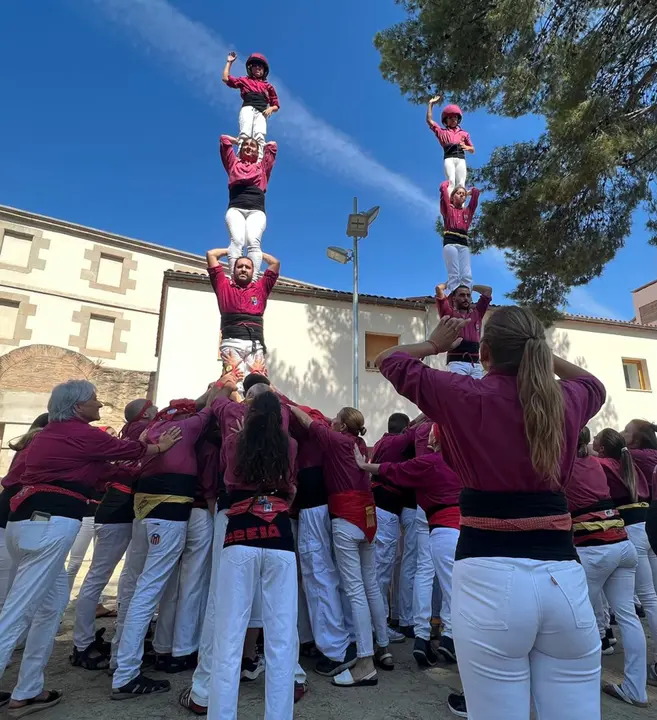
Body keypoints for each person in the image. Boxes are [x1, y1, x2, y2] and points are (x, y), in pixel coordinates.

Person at [375, 308, 606, 720]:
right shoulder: (567, 400)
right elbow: (593, 384)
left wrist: (434, 345)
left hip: (488, 573)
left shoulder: (463, 393)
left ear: (484, 353)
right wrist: (539, 351)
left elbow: (391, 360)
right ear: (536, 350)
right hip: (564, 578)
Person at [0, 381, 180, 715]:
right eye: (94, 400)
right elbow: (128, 451)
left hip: (25, 521)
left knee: (50, 609)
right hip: (51, 522)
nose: (99, 404)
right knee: (19, 609)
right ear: (77, 406)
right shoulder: (82, 434)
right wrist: (159, 446)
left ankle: (27, 690)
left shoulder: (50, 437)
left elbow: (103, 471)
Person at [208, 378, 299, 720]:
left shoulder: (233, 442)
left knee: (228, 637)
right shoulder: (289, 445)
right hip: (280, 541)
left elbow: (228, 480)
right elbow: (291, 490)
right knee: (281, 639)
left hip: (238, 539)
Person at [112, 399, 213, 699]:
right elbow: (214, 401)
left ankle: (123, 655)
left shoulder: (151, 431)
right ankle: (126, 673)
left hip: (143, 512)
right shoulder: (188, 427)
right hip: (169, 514)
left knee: (137, 583)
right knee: (153, 588)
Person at [288, 404, 392, 686]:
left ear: (343, 426)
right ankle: (382, 645)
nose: (330, 421)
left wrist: (281, 399)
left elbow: (309, 422)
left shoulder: (337, 440)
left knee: (352, 587)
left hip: (346, 516)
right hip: (367, 515)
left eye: (335, 419)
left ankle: (364, 658)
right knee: (369, 584)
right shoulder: (358, 442)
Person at [356, 423, 462, 668]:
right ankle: (449, 636)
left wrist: (364, 466)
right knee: (452, 582)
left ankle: (422, 636)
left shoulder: (429, 460)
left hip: (429, 517)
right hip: (456, 523)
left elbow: (394, 470)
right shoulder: (462, 459)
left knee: (424, 572)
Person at [71, 400, 159, 669]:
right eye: (152, 408)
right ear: (144, 414)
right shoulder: (142, 430)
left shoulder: (130, 429)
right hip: (119, 509)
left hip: (117, 508)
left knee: (110, 576)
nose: (157, 410)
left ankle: (89, 640)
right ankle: (82, 643)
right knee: (103, 576)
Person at [277, 389, 356, 677]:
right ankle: (325, 639)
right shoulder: (319, 432)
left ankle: (336, 648)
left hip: (311, 508)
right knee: (319, 575)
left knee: (317, 575)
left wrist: (278, 397)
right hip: (315, 508)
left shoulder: (310, 430)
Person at [566, 427, 647, 707]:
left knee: (577, 617)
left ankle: (578, 688)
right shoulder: (597, 464)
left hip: (593, 548)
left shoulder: (563, 466)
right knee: (628, 616)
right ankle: (636, 689)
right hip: (622, 542)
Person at [594, 427, 657, 687]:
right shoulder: (630, 462)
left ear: (601, 448)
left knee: (630, 604)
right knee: (651, 599)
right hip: (646, 527)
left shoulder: (602, 465)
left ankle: (602, 640)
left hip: (628, 530)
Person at [370, 413, 417, 643]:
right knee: (382, 570)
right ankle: (379, 627)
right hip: (387, 509)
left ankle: (376, 623)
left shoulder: (382, 442)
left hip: (378, 506)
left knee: (379, 568)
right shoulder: (400, 442)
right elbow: (417, 431)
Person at [206, 248, 280, 391]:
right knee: (233, 383)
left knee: (259, 385)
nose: (244, 269)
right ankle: (233, 411)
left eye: (248, 267)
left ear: (253, 271)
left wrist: (257, 252)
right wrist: (231, 250)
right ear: (233, 270)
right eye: (240, 266)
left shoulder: (260, 288)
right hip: (232, 343)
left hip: (255, 344)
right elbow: (211, 254)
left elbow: (275, 263)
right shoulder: (223, 286)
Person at [0, 413, 49, 614]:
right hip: (17, 510)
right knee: (10, 576)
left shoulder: (26, 443)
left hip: (6, 508)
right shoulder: (41, 443)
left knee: (7, 573)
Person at [218, 134, 278, 276]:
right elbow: (224, 140)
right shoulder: (233, 164)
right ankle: (234, 277)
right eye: (246, 145)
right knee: (237, 241)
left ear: (258, 152)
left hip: (256, 210)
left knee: (253, 242)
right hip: (236, 208)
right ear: (240, 148)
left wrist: (259, 144)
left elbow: (273, 146)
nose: (248, 147)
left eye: (252, 146)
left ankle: (253, 280)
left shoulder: (262, 168)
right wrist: (239, 141)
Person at [222, 52, 279, 157]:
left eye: (260, 66)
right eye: (255, 66)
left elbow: (276, 104)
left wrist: (271, 108)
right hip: (248, 108)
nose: (258, 68)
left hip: (262, 112)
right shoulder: (244, 81)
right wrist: (229, 62)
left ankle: (259, 162)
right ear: (250, 68)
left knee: (260, 135)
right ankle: (241, 158)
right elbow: (226, 78)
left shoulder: (268, 86)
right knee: (245, 133)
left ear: (264, 70)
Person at [435, 283, 492, 377]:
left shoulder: (477, 314)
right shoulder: (448, 314)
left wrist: (470, 285)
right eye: (462, 295)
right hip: (456, 363)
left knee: (477, 391)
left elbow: (488, 290)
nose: (466, 298)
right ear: (454, 298)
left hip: (475, 364)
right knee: (459, 391)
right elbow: (439, 289)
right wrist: (452, 282)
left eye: (468, 295)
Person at [426, 95, 475, 192]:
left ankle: (460, 206)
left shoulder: (464, 133)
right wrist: (430, 104)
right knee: (451, 181)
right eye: (450, 117)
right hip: (449, 158)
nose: (453, 119)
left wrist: (466, 147)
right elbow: (429, 121)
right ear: (446, 120)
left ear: (458, 119)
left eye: (455, 117)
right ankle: (449, 203)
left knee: (461, 183)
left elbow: (473, 149)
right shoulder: (442, 132)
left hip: (461, 158)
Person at [439, 182, 480, 294]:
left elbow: (476, 195)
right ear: (452, 197)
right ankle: (453, 297)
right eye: (458, 193)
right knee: (454, 274)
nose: (462, 195)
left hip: (463, 244)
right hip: (450, 242)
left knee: (467, 275)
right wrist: (446, 185)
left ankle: (466, 297)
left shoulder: (467, 212)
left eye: (463, 194)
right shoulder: (448, 210)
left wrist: (468, 192)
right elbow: (443, 192)